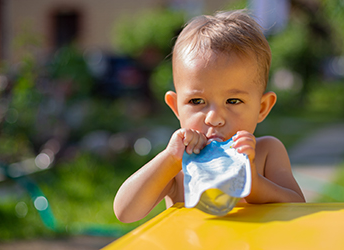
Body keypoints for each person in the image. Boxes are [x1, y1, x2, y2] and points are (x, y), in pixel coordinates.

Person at [114, 9, 305, 223]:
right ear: (176, 107)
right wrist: (169, 159)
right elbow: (125, 212)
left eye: (233, 101)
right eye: (197, 102)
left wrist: (254, 185)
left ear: (262, 108)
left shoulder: (267, 152)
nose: (214, 118)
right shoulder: (178, 166)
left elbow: (298, 207)